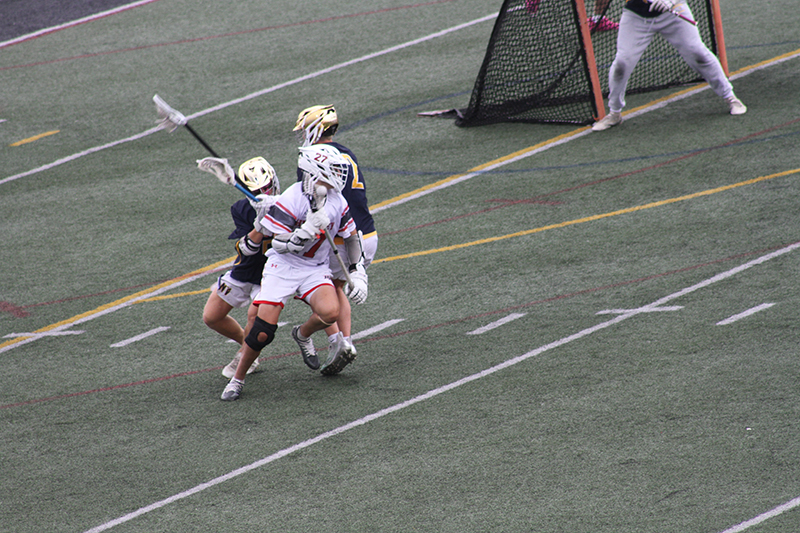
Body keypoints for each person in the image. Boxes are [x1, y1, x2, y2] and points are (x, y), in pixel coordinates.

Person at [220, 144, 369, 401]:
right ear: (314, 172)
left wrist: (358, 272)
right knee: (263, 331)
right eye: (331, 170)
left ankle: (302, 334)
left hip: (314, 268)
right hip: (283, 267)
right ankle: (238, 378)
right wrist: (299, 236)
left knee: (330, 311)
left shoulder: (337, 201)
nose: (337, 175)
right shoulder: (293, 197)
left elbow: (352, 236)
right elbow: (275, 242)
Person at [292, 105, 379, 376]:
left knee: (314, 287)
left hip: (341, 239)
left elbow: (312, 208)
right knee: (337, 288)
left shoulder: (313, 159)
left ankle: (323, 337)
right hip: (366, 234)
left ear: (315, 128)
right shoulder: (345, 153)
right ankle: (344, 342)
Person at [591, 0, 746, 132]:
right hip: (636, 15)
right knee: (621, 64)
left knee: (698, 53)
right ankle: (615, 113)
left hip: (673, 8)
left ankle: (730, 97)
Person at [199, 157, 280, 378]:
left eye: (266, 187)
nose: (265, 192)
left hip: (274, 273)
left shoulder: (289, 204)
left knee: (255, 316)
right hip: (245, 270)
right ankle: (248, 346)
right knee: (211, 317)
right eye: (258, 190)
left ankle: (245, 357)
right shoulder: (242, 208)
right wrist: (261, 223)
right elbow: (246, 249)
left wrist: (278, 218)